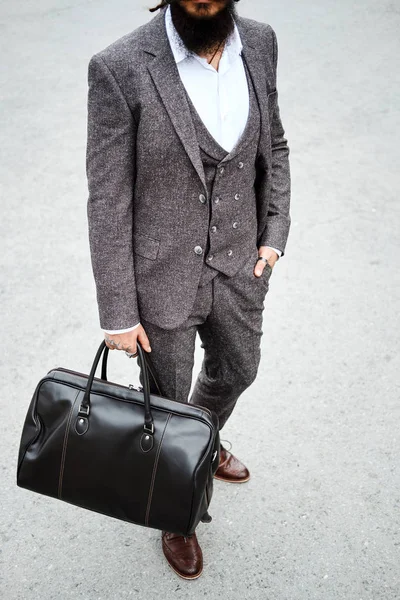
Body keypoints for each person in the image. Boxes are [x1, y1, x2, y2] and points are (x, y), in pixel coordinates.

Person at [86, 0, 291, 580]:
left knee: (239, 368)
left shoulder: (260, 42)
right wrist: (118, 310)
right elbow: (108, 199)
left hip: (240, 264)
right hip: (160, 276)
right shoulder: (120, 66)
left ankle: (200, 440)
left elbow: (273, 145)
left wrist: (273, 234)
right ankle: (175, 511)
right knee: (168, 403)